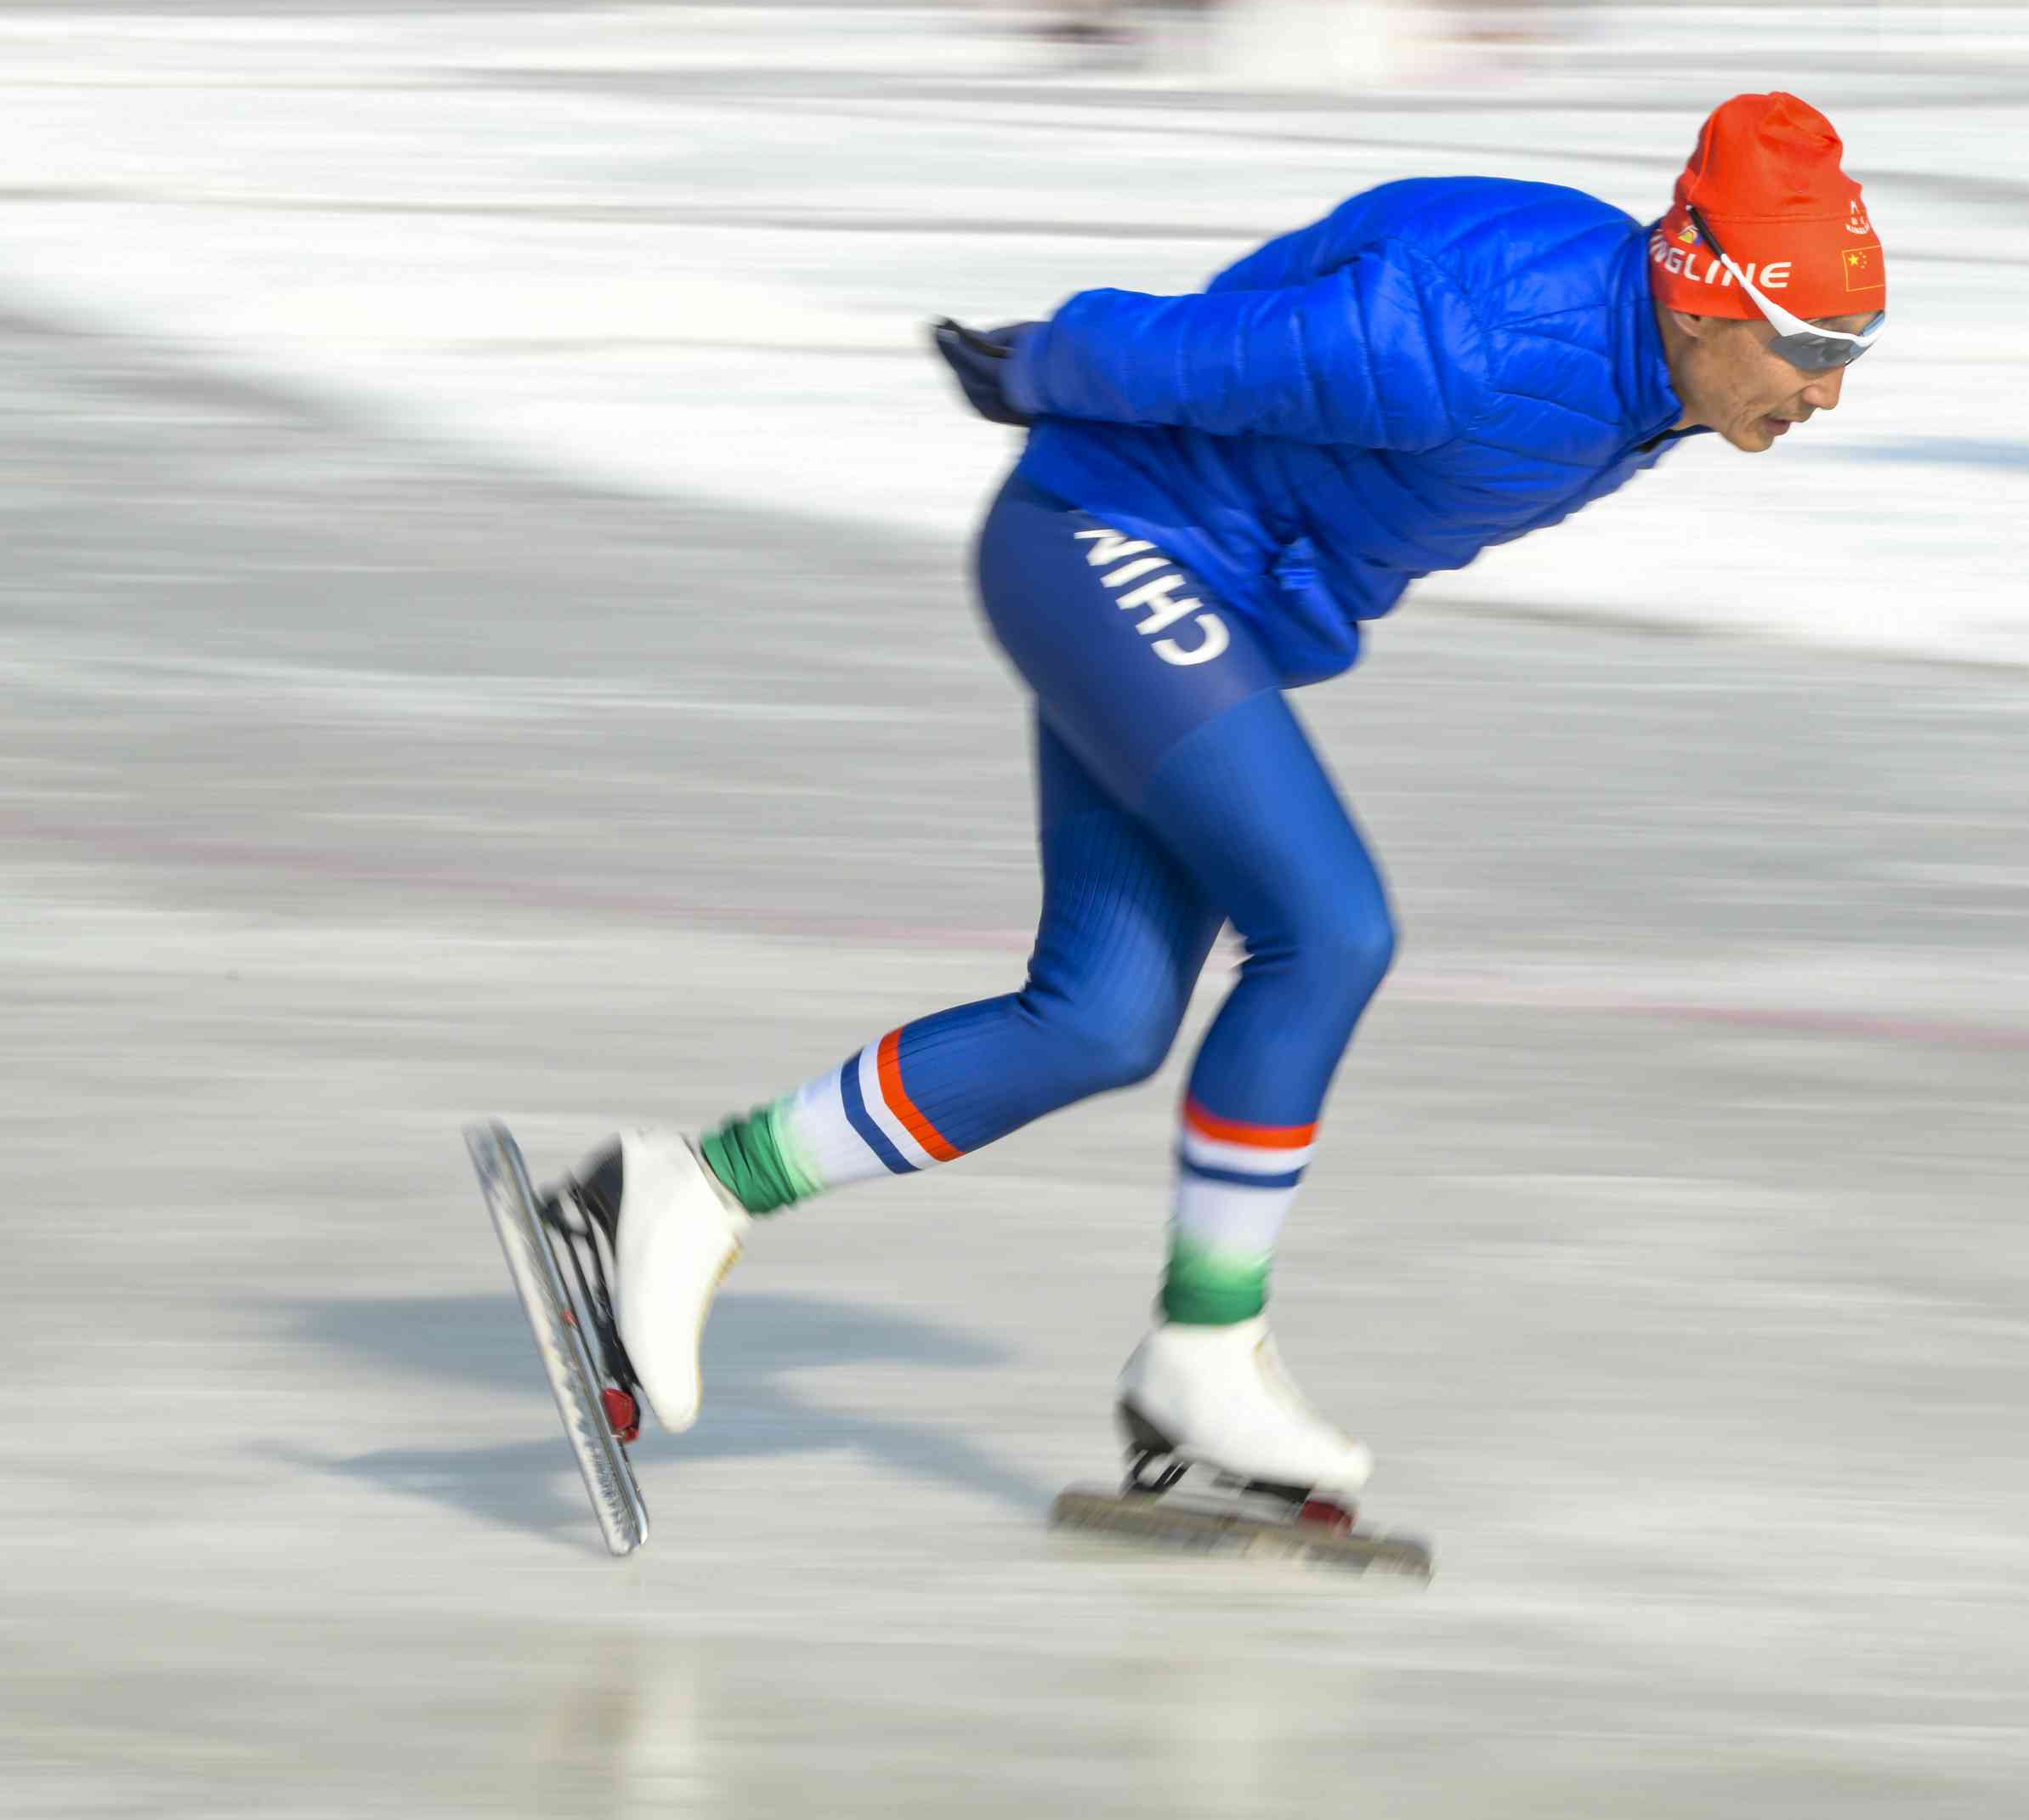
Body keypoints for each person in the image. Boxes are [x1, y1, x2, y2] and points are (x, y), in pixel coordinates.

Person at [540, 92, 1888, 1511]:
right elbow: (1220, 351)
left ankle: (686, 1189)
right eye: (1809, 351)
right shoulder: (1476, 335)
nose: (1827, 393)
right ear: (1701, 293)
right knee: (1332, 930)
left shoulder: (1653, 374)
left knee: (1100, 1020)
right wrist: (1048, 364)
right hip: (1104, 541)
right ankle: (1205, 1349)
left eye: (1854, 353)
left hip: (1196, 598)